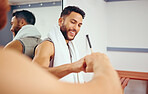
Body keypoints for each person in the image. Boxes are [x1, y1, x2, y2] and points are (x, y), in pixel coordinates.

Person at [33, 6, 86, 83]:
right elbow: (36, 74)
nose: (75, 28)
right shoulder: (48, 45)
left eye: (79, 25)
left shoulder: (70, 47)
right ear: (61, 21)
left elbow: (73, 78)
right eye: (73, 22)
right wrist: (72, 67)